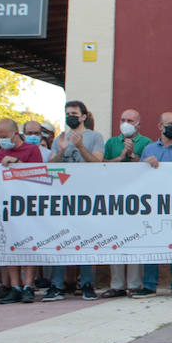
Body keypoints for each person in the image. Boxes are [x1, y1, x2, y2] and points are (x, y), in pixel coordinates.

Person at [46, 101, 105, 300]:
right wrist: (62, 150)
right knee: (60, 239)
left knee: (87, 239)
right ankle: (57, 285)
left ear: (83, 116)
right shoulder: (59, 139)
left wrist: (80, 147)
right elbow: (51, 167)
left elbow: (97, 163)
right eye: (67, 113)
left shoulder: (95, 137)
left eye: (74, 113)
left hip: (87, 196)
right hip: (63, 196)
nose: (70, 116)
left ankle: (87, 283)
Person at [0, 119, 43, 303]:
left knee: (29, 244)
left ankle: (28, 286)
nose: (2, 140)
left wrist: (18, 163)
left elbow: (39, 174)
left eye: (4, 136)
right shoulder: (0, 153)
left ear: (15, 134)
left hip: (27, 205)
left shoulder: (32, 150)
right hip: (7, 207)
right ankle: (15, 285)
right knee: (10, 243)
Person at [137, 111, 172, 298]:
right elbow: (137, 176)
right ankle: (149, 285)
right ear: (160, 126)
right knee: (151, 242)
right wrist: (145, 163)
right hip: (153, 204)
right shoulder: (149, 149)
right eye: (170, 123)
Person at [102, 108, 152, 297]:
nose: (126, 123)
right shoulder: (111, 143)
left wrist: (133, 156)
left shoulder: (147, 143)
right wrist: (121, 156)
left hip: (137, 199)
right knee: (115, 239)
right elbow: (103, 164)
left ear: (138, 124)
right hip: (114, 197)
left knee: (135, 239)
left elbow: (148, 167)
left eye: (130, 120)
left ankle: (134, 284)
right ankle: (117, 284)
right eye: (123, 119)